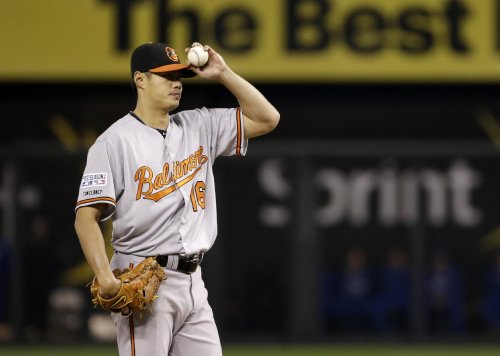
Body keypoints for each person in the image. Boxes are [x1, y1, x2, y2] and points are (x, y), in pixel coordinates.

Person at [74, 42, 280, 355]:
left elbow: (267, 118)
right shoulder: (113, 142)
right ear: (140, 79)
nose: (176, 84)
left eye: (180, 77)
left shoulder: (199, 125)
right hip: (142, 278)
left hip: (194, 281)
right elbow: (85, 217)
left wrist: (223, 73)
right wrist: (105, 277)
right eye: (167, 76)